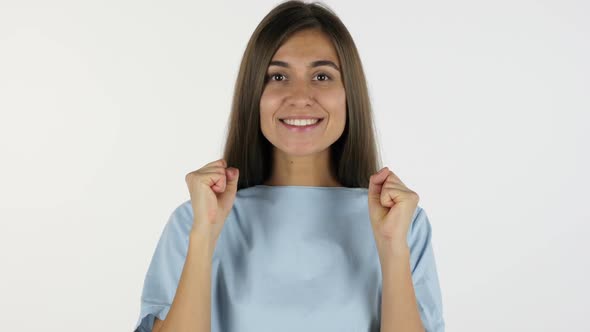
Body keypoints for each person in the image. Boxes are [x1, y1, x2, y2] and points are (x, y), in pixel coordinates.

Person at [133, 1, 445, 331]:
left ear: (349, 94)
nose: (300, 96)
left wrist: (393, 250)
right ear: (254, 93)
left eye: (322, 76)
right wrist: (204, 235)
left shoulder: (402, 224)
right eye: (278, 75)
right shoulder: (194, 220)